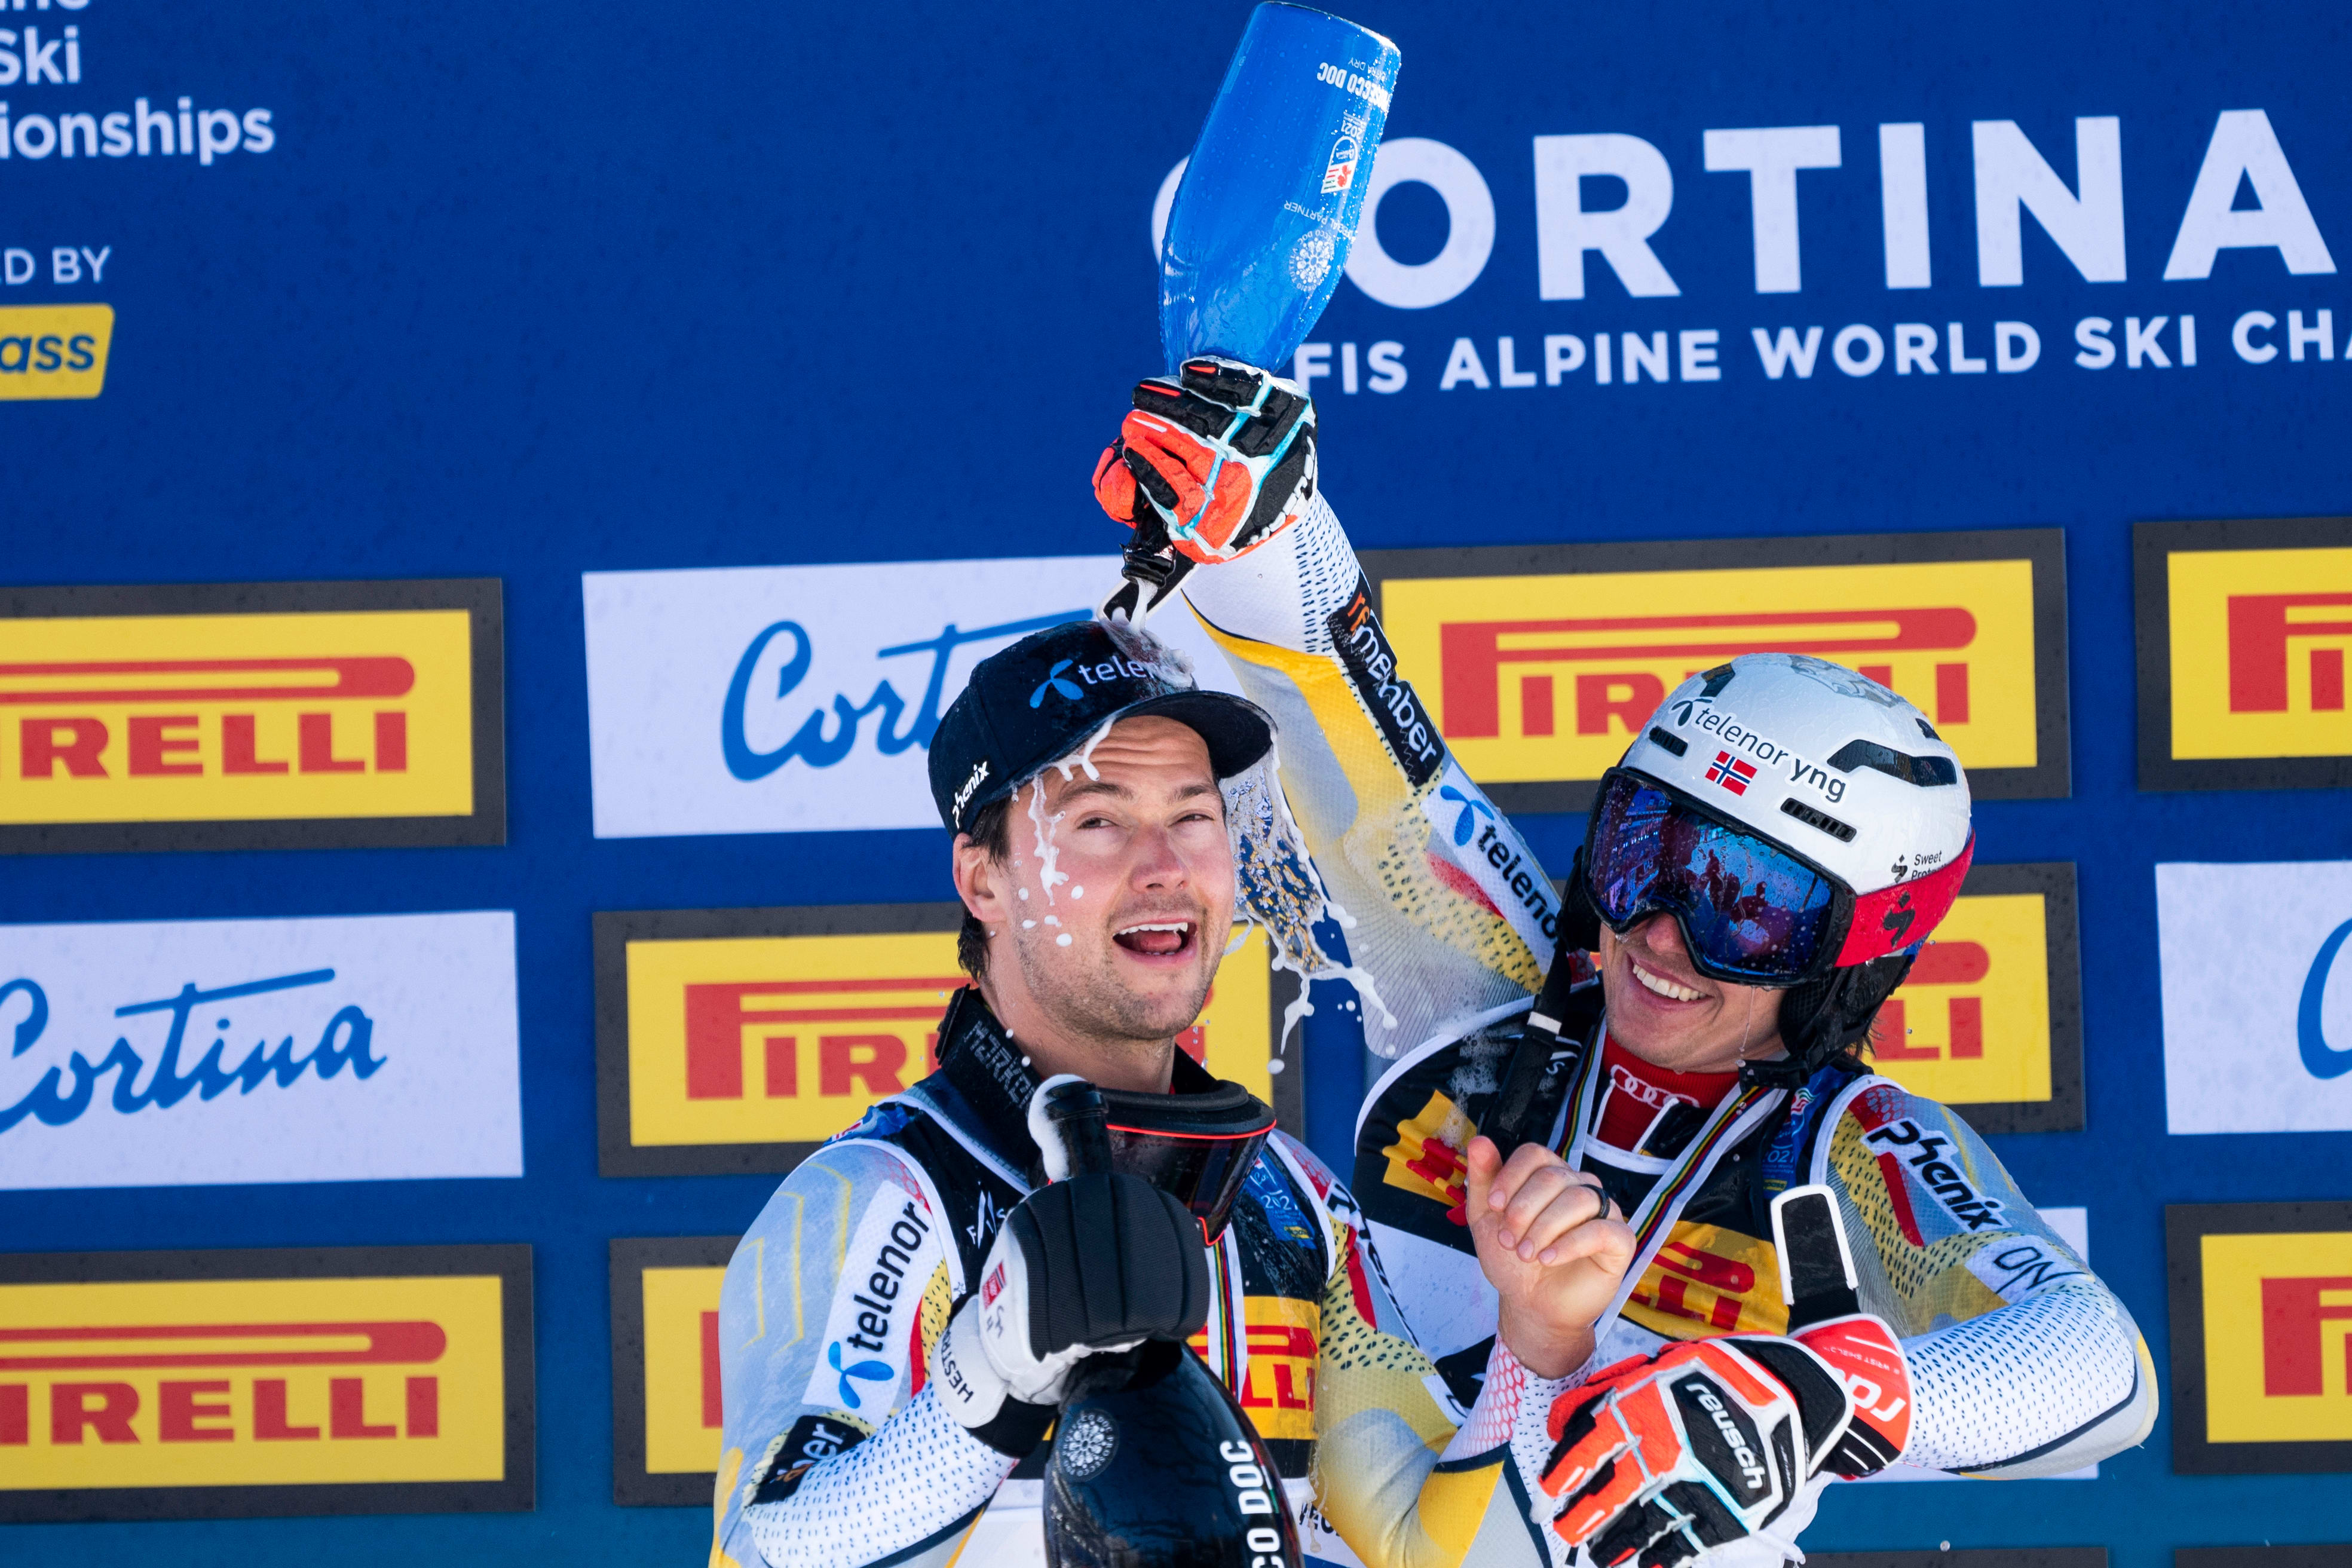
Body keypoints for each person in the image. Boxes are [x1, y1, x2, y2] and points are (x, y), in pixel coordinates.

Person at [1091, 357, 2158, 1567]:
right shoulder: (1503, 987)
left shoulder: (1855, 1152)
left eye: (1746, 910)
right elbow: (1365, 733)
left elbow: (2102, 1367)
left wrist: (1823, 1393)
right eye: (1645, 852)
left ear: (1847, 962)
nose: (1657, 933)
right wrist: (1268, 534)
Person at [709, 615, 1638, 1568]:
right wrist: (988, 1374)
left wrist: (1538, 1343)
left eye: (1194, 816)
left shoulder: (1292, 1205)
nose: (1165, 868)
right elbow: (761, 1553)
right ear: (983, 881)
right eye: (1099, 822)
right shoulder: (887, 1199)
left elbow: (1433, 1553)